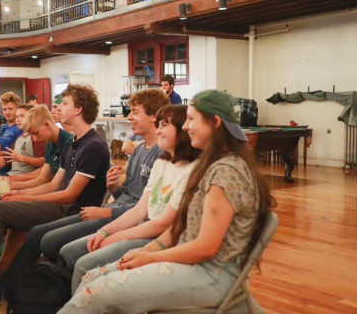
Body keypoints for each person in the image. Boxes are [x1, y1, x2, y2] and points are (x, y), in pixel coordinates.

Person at [58, 90, 276, 314]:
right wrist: (149, 249)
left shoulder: (226, 171)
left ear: (215, 123)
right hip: (192, 265)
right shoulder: (212, 165)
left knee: (95, 294)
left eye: (191, 119)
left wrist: (150, 257)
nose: (185, 126)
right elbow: (180, 227)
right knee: (91, 276)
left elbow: (205, 248)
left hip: (212, 275)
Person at [0, 89, 171, 304]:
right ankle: (16, 289)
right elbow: (128, 194)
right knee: (16, 220)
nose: (129, 116)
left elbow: (141, 208)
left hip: (96, 210)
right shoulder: (133, 150)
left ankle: (21, 291)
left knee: (38, 234)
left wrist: (107, 210)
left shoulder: (151, 153)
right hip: (109, 211)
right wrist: (113, 189)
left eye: (134, 112)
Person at [0, 84, 110, 306]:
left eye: (64, 103)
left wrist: (24, 197)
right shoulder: (73, 143)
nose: (58, 108)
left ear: (79, 109)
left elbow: (69, 194)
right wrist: (19, 193)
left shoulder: (93, 144)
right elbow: (53, 183)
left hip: (73, 209)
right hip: (62, 202)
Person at [62, 104, 199, 292]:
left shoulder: (192, 170)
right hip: (143, 226)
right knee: (69, 252)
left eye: (164, 125)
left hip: (160, 237)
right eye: (158, 125)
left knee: (84, 264)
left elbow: (162, 223)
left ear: (183, 130)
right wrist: (105, 231)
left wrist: (114, 237)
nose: (158, 131)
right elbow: (139, 210)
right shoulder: (161, 162)